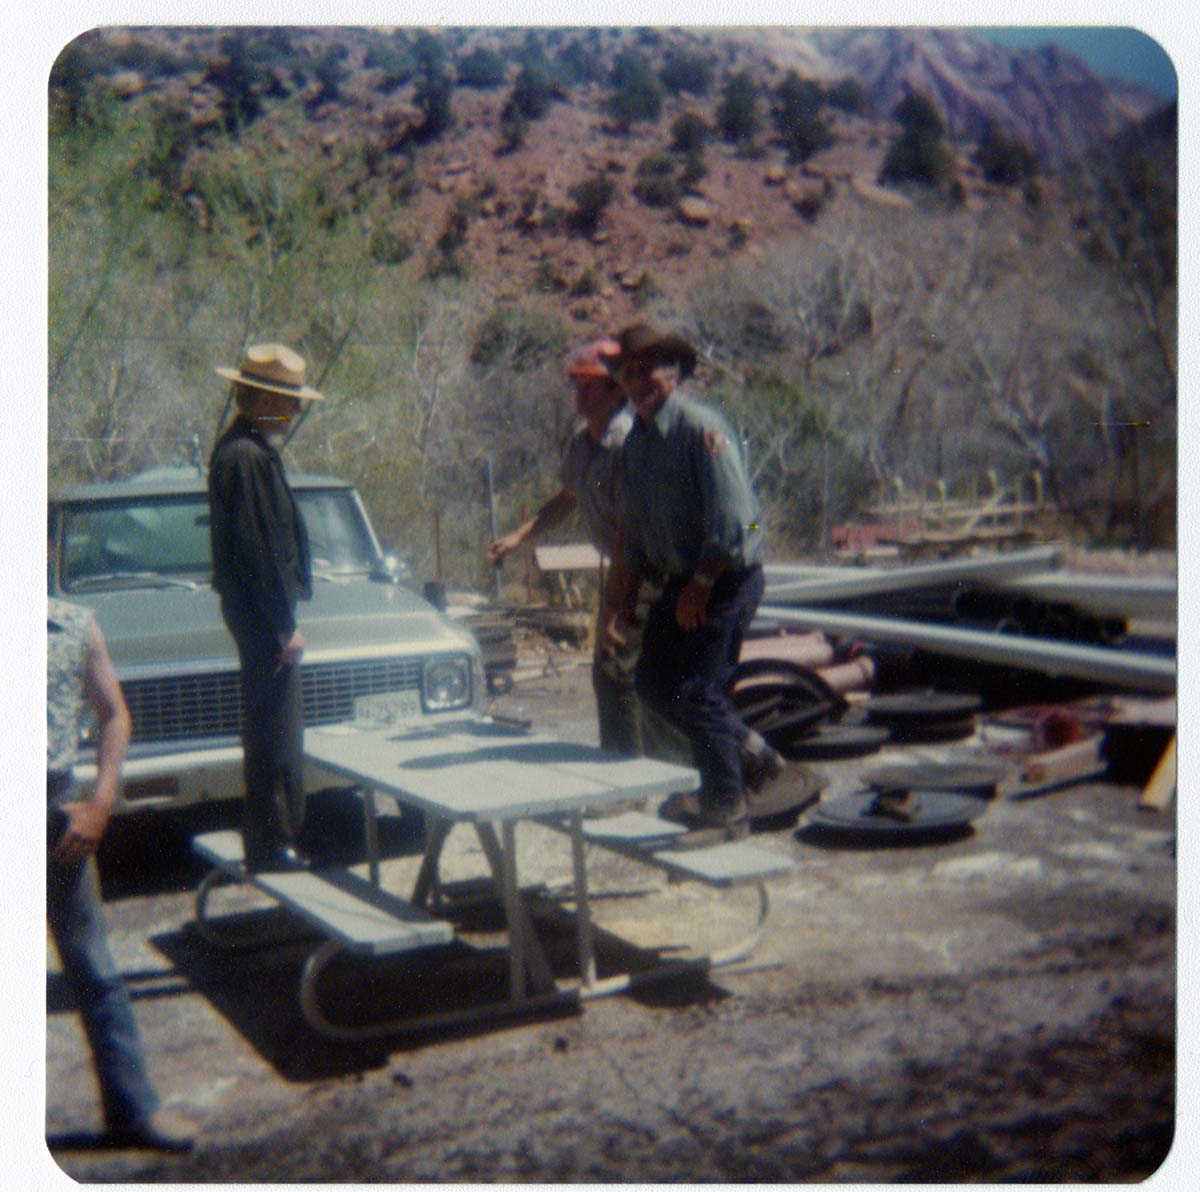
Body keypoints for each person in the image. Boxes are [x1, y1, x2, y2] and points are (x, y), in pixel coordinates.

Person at [609, 322, 783, 843]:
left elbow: (742, 519)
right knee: (653, 685)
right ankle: (753, 757)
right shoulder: (636, 443)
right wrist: (626, 602)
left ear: (675, 374)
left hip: (726, 577)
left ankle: (726, 806)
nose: (639, 382)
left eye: (650, 371)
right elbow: (638, 531)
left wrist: (705, 583)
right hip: (679, 580)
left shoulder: (701, 428)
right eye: (628, 373)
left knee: (696, 690)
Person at [488, 338, 685, 763]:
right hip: (626, 566)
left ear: (616, 391)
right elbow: (567, 498)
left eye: (590, 386)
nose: (580, 394)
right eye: (577, 384)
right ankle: (642, 771)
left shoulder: (629, 443)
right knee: (631, 676)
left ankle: (626, 781)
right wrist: (520, 536)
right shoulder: (583, 443)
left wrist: (614, 605)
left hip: (650, 569)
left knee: (616, 671)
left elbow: (629, 533)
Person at [47, 597, 195, 1151]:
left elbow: (115, 714)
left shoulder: (73, 626)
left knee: (93, 963)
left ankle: (133, 1109)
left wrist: (101, 802)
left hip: (52, 811)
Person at [208, 343, 324, 872]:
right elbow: (260, 549)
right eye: (288, 399)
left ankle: (271, 839)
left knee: (269, 723)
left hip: (254, 612)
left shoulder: (241, 450)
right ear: (263, 399)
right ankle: (274, 844)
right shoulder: (246, 457)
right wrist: (282, 625)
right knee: (276, 726)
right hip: (262, 617)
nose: (295, 410)